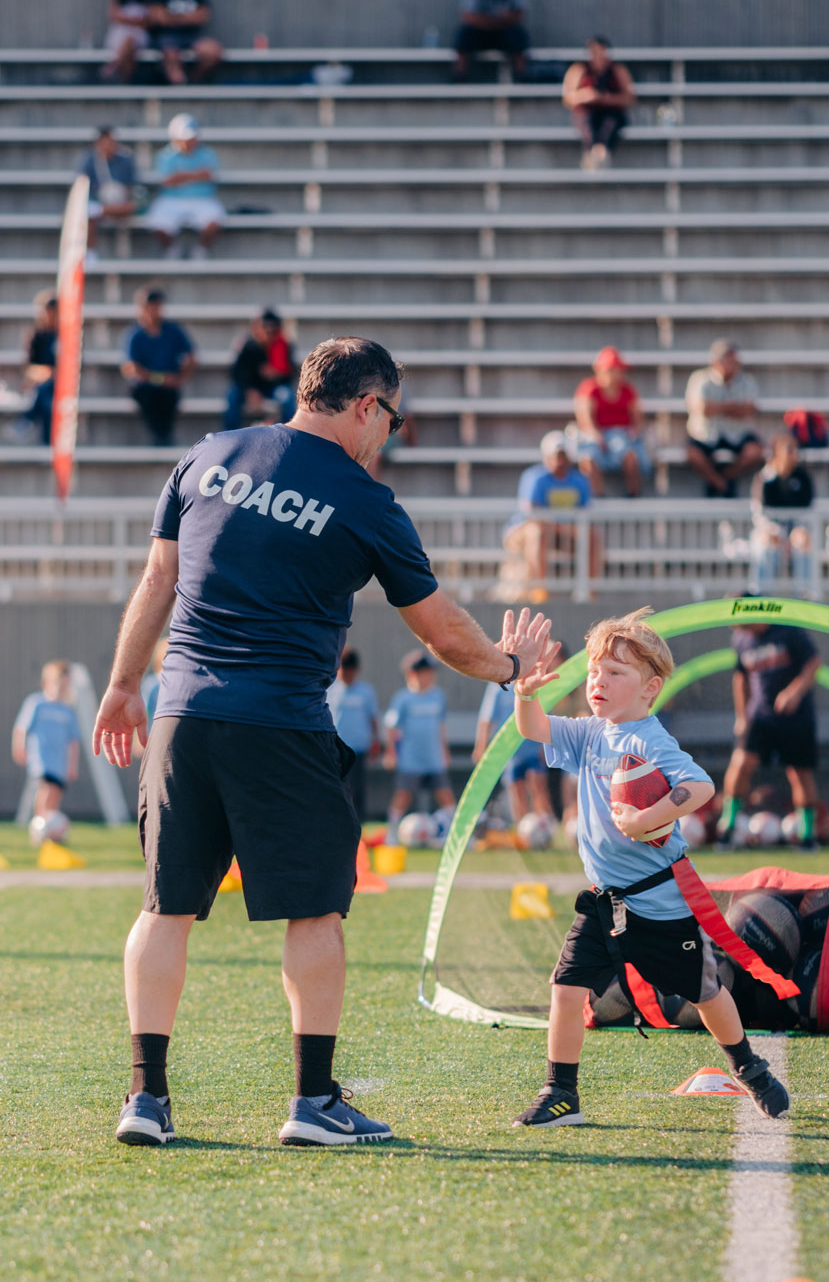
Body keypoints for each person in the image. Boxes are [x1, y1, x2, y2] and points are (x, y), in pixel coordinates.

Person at [91, 334, 553, 1149]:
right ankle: (312, 1104)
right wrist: (511, 667)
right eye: (393, 422)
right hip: (281, 723)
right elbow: (443, 632)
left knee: (164, 907)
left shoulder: (207, 455)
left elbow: (157, 581)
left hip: (181, 715)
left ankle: (146, 1099)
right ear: (368, 405)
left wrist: (125, 684)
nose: (388, 438)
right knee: (315, 913)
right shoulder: (365, 498)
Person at [505, 607, 790, 1127]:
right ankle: (560, 1092)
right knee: (566, 990)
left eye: (615, 673)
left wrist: (647, 818)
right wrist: (524, 690)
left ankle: (747, 1064)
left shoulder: (649, 741)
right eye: (595, 671)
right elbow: (534, 728)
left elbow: (701, 786)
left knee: (705, 993)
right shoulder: (590, 733)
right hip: (603, 903)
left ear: (649, 688)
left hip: (660, 907)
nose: (599, 680)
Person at [717, 618, 821, 852]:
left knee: (799, 773)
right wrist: (741, 716)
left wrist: (794, 693)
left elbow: (813, 662)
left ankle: (807, 836)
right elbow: (740, 677)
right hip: (760, 717)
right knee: (741, 764)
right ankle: (728, 828)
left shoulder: (788, 629)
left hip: (796, 717)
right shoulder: (741, 639)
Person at [502, 429, 600, 596]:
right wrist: (564, 527)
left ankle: (589, 589)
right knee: (537, 532)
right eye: (556, 455)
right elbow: (532, 516)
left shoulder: (579, 480)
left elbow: (585, 513)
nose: (559, 460)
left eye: (562, 455)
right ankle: (539, 589)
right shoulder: (535, 477)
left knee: (592, 535)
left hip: (560, 532)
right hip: (525, 531)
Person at [383, 651, 455, 843]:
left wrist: (444, 751)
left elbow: (441, 726)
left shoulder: (438, 696)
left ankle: (455, 834)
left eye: (432, 673)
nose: (431, 677)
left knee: (445, 795)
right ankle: (392, 833)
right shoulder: (402, 698)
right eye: (426, 672)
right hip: (410, 759)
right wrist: (391, 752)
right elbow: (392, 727)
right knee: (403, 795)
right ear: (413, 674)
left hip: (433, 758)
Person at [685, 339, 764, 498]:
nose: (731, 363)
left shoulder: (747, 381)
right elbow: (702, 409)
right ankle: (719, 482)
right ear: (716, 361)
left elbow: (749, 410)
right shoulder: (701, 379)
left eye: (732, 359)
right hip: (706, 436)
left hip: (737, 435)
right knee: (693, 453)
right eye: (726, 358)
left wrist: (718, 407)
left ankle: (723, 479)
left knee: (755, 451)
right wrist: (732, 407)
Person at [473, 671, 554, 826]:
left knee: (538, 785)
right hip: (509, 751)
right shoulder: (497, 687)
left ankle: (545, 825)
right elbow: (486, 719)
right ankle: (523, 827)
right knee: (517, 790)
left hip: (533, 746)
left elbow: (546, 714)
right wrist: (481, 746)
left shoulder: (531, 682)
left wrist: (547, 745)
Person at [572, 346, 651, 496]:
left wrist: (632, 433)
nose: (619, 374)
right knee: (588, 458)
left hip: (622, 436)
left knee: (631, 456)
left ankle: (633, 494)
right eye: (614, 370)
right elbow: (585, 419)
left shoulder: (627, 389)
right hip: (596, 435)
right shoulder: (590, 388)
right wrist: (598, 436)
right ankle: (598, 496)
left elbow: (638, 418)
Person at [121, 287, 195, 447]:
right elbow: (130, 368)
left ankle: (163, 437)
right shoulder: (135, 334)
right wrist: (159, 378)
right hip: (146, 386)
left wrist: (180, 377)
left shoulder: (173, 331)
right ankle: (161, 438)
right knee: (149, 397)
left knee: (168, 398)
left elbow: (191, 356)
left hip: (169, 386)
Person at [145, 114, 225, 260]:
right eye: (185, 139)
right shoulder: (165, 156)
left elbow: (207, 175)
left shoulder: (207, 153)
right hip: (171, 199)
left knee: (214, 220)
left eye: (191, 138)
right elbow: (168, 181)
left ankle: (201, 249)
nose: (188, 142)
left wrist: (181, 176)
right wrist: (195, 175)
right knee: (157, 223)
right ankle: (171, 249)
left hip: (203, 199)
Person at [12, 660, 80, 830]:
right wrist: (19, 747)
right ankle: (39, 823)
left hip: (59, 762)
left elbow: (73, 741)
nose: (62, 688)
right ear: (47, 683)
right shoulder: (36, 703)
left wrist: (72, 765)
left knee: (56, 792)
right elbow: (21, 728)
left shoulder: (67, 710)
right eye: (58, 684)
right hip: (41, 758)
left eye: (65, 685)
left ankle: (50, 824)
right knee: (46, 788)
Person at [750, 431, 816, 595]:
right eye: (789, 449)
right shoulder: (765, 477)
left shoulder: (802, 477)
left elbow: (809, 511)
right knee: (767, 541)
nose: (794, 454)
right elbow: (759, 515)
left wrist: (794, 533)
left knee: (803, 539)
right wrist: (777, 533)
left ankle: (803, 596)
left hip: (794, 530)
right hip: (773, 531)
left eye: (795, 449)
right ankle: (761, 597)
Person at [562, 36, 636, 170]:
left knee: (611, 122)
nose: (598, 57)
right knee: (586, 122)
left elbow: (629, 98)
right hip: (587, 111)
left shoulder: (617, 70)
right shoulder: (579, 69)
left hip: (611, 112)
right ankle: (595, 153)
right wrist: (586, 96)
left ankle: (599, 152)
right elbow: (568, 98)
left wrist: (605, 98)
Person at [325, 646, 381, 823]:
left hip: (357, 748)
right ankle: (334, 821)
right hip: (335, 747)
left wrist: (376, 741)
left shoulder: (366, 692)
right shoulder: (330, 689)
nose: (347, 676)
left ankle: (358, 822)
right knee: (335, 786)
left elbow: (373, 718)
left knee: (357, 788)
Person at [223, 310, 298, 432]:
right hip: (249, 387)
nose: (269, 334)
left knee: (287, 397)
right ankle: (229, 434)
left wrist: (276, 375)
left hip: (273, 387)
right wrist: (250, 391)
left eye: (273, 330)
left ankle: (289, 434)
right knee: (232, 397)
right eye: (266, 329)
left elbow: (290, 374)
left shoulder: (284, 346)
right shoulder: (248, 345)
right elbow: (237, 373)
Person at [77, 125, 139, 266]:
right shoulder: (89, 161)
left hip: (120, 204)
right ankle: (90, 251)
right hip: (97, 202)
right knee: (88, 211)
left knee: (131, 206)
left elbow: (133, 187)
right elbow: (82, 186)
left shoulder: (125, 159)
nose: (109, 146)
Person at [4, 291, 58, 446]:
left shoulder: (65, 336)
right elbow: (29, 367)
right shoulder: (36, 335)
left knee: (47, 392)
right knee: (46, 394)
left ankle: (27, 421)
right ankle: (47, 442)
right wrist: (46, 373)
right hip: (42, 383)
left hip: (61, 384)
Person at [146, 0, 223, 85]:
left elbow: (202, 17)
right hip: (166, 36)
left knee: (212, 51)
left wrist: (171, 17)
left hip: (193, 36)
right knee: (171, 54)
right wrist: (188, 18)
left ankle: (194, 80)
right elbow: (158, 18)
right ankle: (178, 85)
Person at [453, 0, 530, 83]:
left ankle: (522, 79)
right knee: (464, 33)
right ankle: (459, 78)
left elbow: (519, 17)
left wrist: (484, 18)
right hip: (481, 32)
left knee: (518, 33)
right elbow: (468, 17)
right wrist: (502, 18)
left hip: (504, 33)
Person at [103, 0, 152, 83]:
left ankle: (116, 64)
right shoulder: (118, 1)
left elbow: (148, 21)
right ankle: (128, 80)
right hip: (120, 33)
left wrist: (125, 19)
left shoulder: (147, 0)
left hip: (139, 33)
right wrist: (136, 20)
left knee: (130, 41)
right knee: (128, 43)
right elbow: (114, 16)